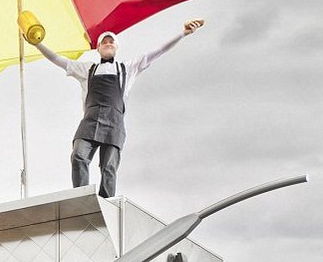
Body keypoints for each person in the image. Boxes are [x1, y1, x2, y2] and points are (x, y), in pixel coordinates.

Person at [28, 20, 205, 198]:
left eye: (111, 41)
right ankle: (80, 198)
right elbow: (59, 60)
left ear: (116, 47)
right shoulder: (87, 69)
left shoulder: (127, 68)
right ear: (98, 48)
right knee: (78, 156)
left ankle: (106, 204)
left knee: (109, 167)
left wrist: (183, 33)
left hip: (114, 124)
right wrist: (38, 44)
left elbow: (158, 51)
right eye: (104, 42)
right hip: (89, 121)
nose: (108, 43)